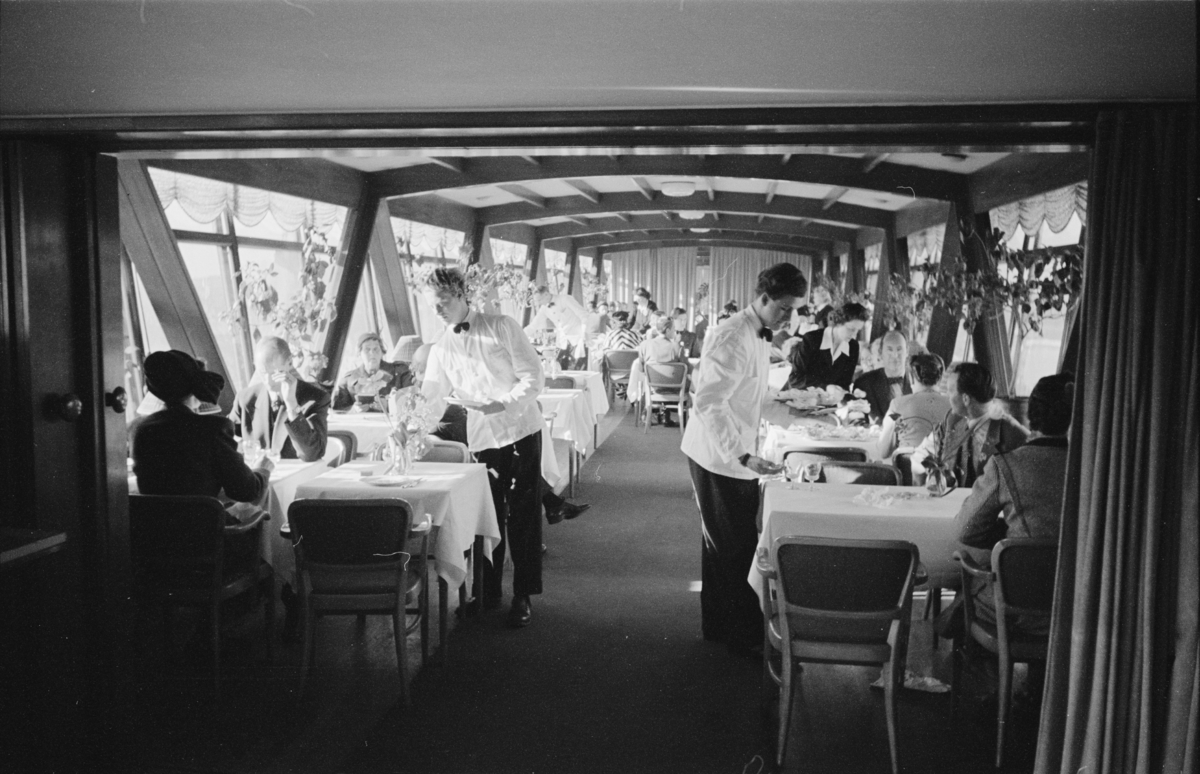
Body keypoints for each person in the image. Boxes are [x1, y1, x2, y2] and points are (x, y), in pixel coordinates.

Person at [681, 263, 805, 658]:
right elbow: (709, 402)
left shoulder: (760, 334)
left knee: (727, 543)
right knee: (733, 545)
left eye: (794, 309)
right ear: (764, 298)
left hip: (734, 451)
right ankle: (741, 636)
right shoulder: (732, 335)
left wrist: (794, 412)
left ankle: (721, 628)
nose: (789, 317)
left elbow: (750, 396)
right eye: (784, 308)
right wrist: (743, 455)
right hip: (716, 455)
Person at [419, 268, 545, 628]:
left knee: (522, 517)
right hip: (482, 440)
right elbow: (431, 399)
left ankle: (523, 595)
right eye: (431, 305)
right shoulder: (440, 348)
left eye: (443, 302)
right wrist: (410, 428)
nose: (437, 311)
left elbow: (534, 377)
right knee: (486, 518)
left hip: (520, 430)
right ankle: (488, 593)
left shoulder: (502, 326)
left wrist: (501, 403)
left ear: (461, 294)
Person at [948, 372, 1074, 635]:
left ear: (1031, 415)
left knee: (966, 591)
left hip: (1017, 610)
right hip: (1077, 611)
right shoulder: (1099, 471)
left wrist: (1005, 538)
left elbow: (965, 530)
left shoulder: (1006, 466)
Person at [409, 344, 589, 525]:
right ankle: (551, 504)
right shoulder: (429, 399)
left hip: (467, 449)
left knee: (512, 463)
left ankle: (551, 504)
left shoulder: (436, 394)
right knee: (514, 465)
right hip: (465, 453)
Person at [130, 350, 274, 567]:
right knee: (257, 527)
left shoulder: (139, 431)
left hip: (155, 552)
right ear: (196, 390)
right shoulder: (211, 429)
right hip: (208, 549)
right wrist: (263, 469)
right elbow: (246, 490)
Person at [910, 362, 1030, 488]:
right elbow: (920, 455)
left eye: (950, 391)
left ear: (966, 399)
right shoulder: (952, 421)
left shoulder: (1012, 434)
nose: (947, 397)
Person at [232, 336, 329, 462]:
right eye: (262, 372)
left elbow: (312, 454)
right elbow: (226, 439)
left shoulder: (315, 398)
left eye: (274, 373)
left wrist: (291, 404)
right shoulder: (245, 399)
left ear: (289, 362)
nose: (268, 381)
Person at [876, 353, 952, 460]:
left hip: (905, 469)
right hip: (942, 469)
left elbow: (883, 452)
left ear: (911, 378)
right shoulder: (953, 406)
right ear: (940, 378)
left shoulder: (897, 404)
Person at [784, 302, 870, 390]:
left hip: (828, 398)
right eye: (851, 329)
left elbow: (844, 384)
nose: (854, 335)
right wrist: (826, 387)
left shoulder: (853, 347)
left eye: (857, 330)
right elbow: (795, 379)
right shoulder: (812, 339)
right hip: (799, 395)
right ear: (838, 322)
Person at [332, 332, 414, 410]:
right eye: (367, 350)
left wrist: (390, 405)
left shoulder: (401, 373)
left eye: (376, 349)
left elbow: (413, 402)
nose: (372, 353)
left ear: (382, 352)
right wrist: (353, 410)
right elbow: (339, 411)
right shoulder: (348, 381)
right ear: (359, 353)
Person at [525, 285, 589, 368]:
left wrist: (584, 334)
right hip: (562, 344)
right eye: (537, 301)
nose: (539, 303)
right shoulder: (544, 308)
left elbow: (584, 316)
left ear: (546, 294)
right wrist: (518, 335)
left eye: (540, 300)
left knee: (578, 371)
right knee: (558, 370)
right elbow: (533, 326)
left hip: (577, 341)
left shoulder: (565, 299)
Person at [854, 330, 912, 423]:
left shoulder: (920, 381)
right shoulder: (864, 383)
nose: (895, 355)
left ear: (907, 351)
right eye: (889, 350)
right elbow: (857, 422)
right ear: (880, 352)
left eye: (899, 349)